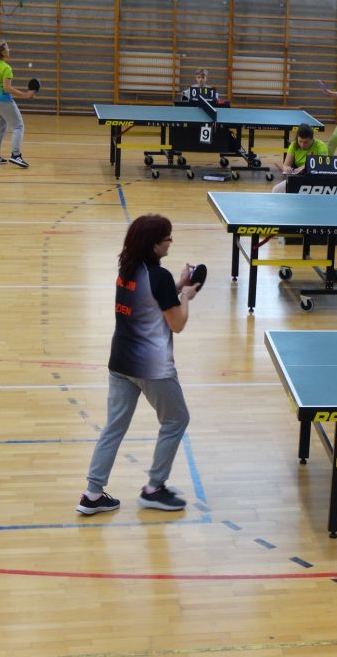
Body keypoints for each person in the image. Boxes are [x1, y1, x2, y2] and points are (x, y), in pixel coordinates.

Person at [76, 214, 201, 516]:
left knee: (114, 426)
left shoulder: (128, 269)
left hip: (120, 361)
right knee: (176, 420)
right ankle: (154, 489)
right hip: (152, 367)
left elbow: (151, 299)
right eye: (167, 238)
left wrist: (177, 285)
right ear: (154, 244)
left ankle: (92, 494)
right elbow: (177, 324)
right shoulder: (159, 277)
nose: (170, 242)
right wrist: (185, 296)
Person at [0, 40, 35, 168]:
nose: (9, 50)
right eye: (7, 48)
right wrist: (26, 95)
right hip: (3, 101)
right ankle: (16, 155)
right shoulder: (6, 68)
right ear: (3, 52)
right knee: (18, 127)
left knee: (1, 129)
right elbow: (7, 88)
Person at [271, 124, 329, 192]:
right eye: (300, 141)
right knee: (276, 189)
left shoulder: (321, 146)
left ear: (312, 139)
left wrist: (304, 167)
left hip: (316, 179)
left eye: (306, 142)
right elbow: (286, 165)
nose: (302, 145)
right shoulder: (293, 145)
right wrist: (287, 169)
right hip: (299, 178)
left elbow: (322, 165)